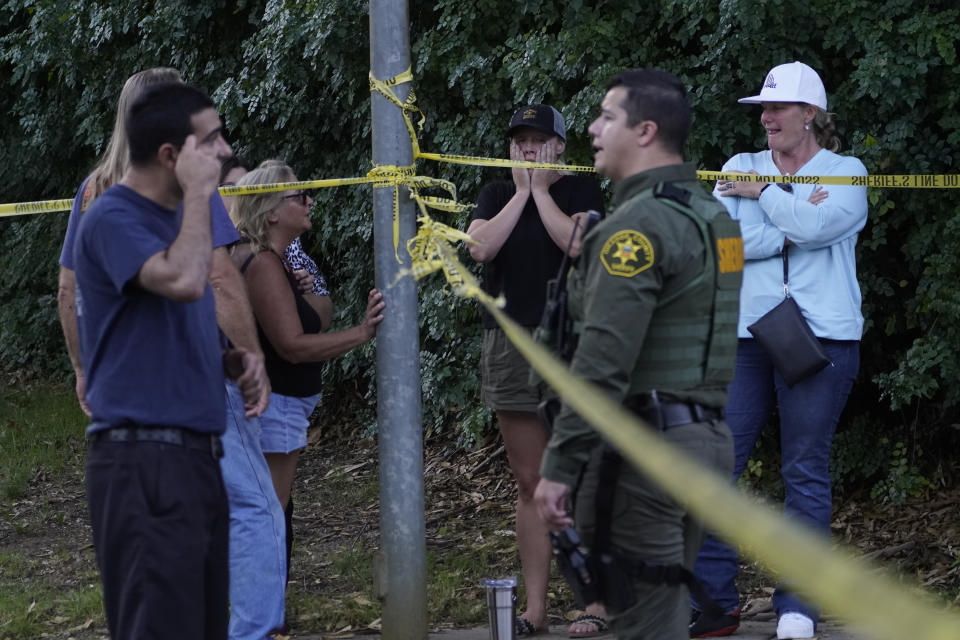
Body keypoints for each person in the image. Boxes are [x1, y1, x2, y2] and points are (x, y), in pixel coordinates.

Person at [533, 69, 741, 640]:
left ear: (646, 131)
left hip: (644, 452)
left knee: (645, 625)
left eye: (607, 117)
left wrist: (558, 469)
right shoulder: (711, 215)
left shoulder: (636, 229)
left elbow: (601, 365)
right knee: (661, 613)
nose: (593, 128)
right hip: (703, 443)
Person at [75, 82, 263, 639]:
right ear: (171, 157)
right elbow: (184, 280)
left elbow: (169, 320)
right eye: (212, 140)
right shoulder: (112, 217)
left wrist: (229, 360)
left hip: (192, 461)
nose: (226, 151)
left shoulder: (177, 221)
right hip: (143, 467)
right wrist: (203, 196)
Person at [691, 61, 867, 640]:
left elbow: (826, 228)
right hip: (746, 336)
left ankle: (798, 607)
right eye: (761, 110)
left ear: (809, 115)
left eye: (776, 108)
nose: (764, 118)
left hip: (825, 336)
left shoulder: (847, 171)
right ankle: (714, 605)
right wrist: (793, 214)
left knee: (804, 471)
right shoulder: (737, 166)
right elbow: (726, 250)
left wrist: (764, 194)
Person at [467, 104, 607, 636]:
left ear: (559, 149)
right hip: (508, 345)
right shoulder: (495, 194)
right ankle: (536, 609)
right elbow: (480, 248)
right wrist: (522, 193)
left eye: (538, 140)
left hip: (572, 346)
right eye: (520, 140)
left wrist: (543, 192)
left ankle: (595, 602)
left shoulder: (581, 191)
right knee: (530, 482)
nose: (527, 149)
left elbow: (576, 244)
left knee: (580, 475)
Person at [57, 68, 269, 419]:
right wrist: (252, 360)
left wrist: (82, 369)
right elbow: (218, 279)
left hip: (120, 380)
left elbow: (69, 289)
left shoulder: (92, 190)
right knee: (238, 476)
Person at [228, 160, 384, 586]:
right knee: (268, 515)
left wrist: (304, 291)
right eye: (300, 195)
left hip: (278, 405)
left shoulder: (269, 262)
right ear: (272, 211)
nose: (309, 199)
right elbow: (293, 346)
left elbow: (316, 319)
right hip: (274, 406)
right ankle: (261, 621)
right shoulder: (260, 262)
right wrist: (364, 333)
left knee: (265, 512)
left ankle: (259, 616)